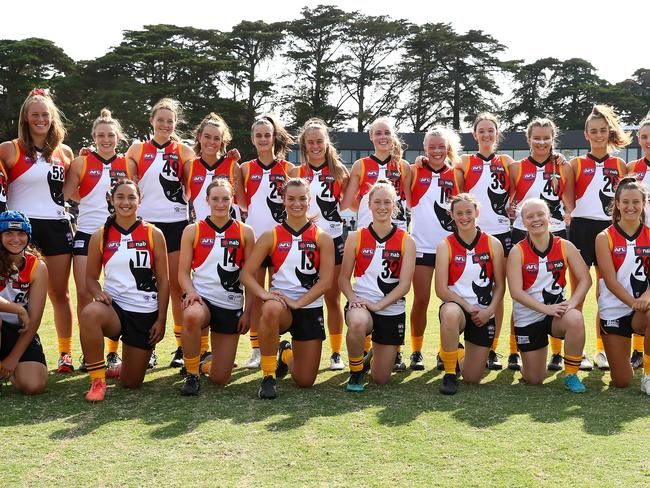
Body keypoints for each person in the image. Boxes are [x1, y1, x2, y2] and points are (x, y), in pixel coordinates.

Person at [0, 88, 76, 373]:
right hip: (19, 229)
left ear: (52, 117)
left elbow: (69, 191)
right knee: (9, 289)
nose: (41, 119)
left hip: (56, 226)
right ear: (26, 119)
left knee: (60, 293)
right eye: (35, 115)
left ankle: (66, 353)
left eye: (46, 114)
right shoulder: (10, 148)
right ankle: (11, 347)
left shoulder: (64, 152)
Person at [241, 178, 334, 400]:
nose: (297, 203)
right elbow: (245, 274)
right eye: (291, 198)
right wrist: (265, 295)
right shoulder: (270, 236)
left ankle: (286, 354)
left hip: (309, 307)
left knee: (305, 381)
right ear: (283, 200)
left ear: (309, 200)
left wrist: (298, 303)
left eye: (302, 198)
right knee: (270, 309)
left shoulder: (322, 237)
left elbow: (326, 282)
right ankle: (268, 375)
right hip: (281, 306)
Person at [79, 180, 169, 402]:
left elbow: (164, 280)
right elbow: (90, 279)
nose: (126, 202)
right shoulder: (100, 236)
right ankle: (98, 380)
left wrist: (161, 318)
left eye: (131, 197)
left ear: (139, 200)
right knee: (90, 313)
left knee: (131, 383)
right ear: (111, 200)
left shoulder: (153, 233)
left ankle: (120, 368)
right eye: (120, 197)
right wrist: (98, 293)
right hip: (114, 309)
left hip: (144, 311)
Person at [63, 109, 136, 376]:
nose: (106, 139)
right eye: (101, 135)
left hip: (119, 236)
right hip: (87, 233)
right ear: (93, 137)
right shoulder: (82, 162)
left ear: (118, 137)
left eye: (111, 135)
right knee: (84, 292)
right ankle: (89, 351)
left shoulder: (128, 163)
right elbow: (68, 192)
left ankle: (114, 351)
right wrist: (92, 202)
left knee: (118, 292)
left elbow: (135, 194)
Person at [125, 98, 194, 369]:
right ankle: (147, 346)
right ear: (151, 121)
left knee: (177, 286)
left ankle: (179, 346)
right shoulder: (137, 149)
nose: (165, 124)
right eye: (160, 119)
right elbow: (128, 185)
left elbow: (194, 184)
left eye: (170, 120)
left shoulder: (184, 151)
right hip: (147, 225)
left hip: (176, 223)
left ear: (175, 124)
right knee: (146, 285)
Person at [341, 118, 411, 370]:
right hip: (367, 235)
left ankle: (396, 351)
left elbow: (408, 201)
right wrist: (368, 211)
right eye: (377, 133)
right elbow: (348, 202)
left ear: (394, 137)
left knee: (394, 286)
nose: (383, 137)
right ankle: (364, 349)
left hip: (396, 233)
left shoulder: (403, 166)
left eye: (387, 133)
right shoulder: (362, 164)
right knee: (367, 283)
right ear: (371, 137)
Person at [508, 117, 575, 372]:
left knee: (557, 287)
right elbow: (510, 201)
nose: (542, 142)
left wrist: (568, 214)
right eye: (536, 137)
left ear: (553, 139)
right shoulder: (516, 167)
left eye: (547, 137)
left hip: (555, 231)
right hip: (521, 233)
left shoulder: (563, 166)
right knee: (521, 290)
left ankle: (557, 353)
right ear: (528, 139)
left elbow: (569, 201)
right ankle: (515, 350)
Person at [177, 179, 254, 395]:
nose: (220, 204)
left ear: (233, 201)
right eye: (215, 199)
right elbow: (182, 272)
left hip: (230, 304)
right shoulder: (193, 230)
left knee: (221, 378)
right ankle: (192, 374)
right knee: (191, 316)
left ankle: (204, 363)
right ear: (207, 200)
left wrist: (248, 313)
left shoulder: (245, 232)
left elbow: (250, 277)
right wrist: (191, 292)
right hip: (202, 299)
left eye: (225, 199)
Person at [569, 105, 631, 371]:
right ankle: (577, 350)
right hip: (581, 228)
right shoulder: (575, 164)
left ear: (609, 132)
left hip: (609, 231)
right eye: (593, 131)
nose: (598, 135)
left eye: (603, 131)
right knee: (579, 290)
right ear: (586, 135)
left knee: (606, 291)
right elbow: (569, 200)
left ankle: (601, 350)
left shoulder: (620, 164)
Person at [507, 199, 591, 393]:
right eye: (530, 216)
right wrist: (546, 309)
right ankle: (528, 364)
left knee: (575, 318)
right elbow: (516, 292)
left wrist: (572, 303)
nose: (536, 219)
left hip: (557, 315)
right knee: (534, 379)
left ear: (549, 218)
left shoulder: (565, 246)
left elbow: (585, 279)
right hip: (528, 318)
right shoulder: (517, 251)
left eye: (540, 214)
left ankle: (571, 374)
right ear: (522, 222)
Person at [339, 180, 416, 391]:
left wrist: (379, 306)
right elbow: (344, 278)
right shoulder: (355, 237)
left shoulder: (406, 240)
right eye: (377, 202)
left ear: (394, 206)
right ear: (369, 205)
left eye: (387, 202)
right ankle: (356, 372)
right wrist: (353, 299)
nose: (382, 207)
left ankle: (374, 354)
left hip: (391, 308)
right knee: (356, 323)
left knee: (381, 379)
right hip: (363, 304)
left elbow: (405, 285)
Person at [457, 112, 514, 371]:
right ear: (475, 134)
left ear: (497, 133)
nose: (487, 134)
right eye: (482, 130)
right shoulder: (465, 162)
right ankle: (454, 345)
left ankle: (493, 349)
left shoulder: (509, 162)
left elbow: (521, 187)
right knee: (464, 287)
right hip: (472, 235)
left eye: (491, 130)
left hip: (501, 235)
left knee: (497, 292)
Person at [291, 118, 349, 371]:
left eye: (319, 141)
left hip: (334, 238)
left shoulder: (339, 172)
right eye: (310, 142)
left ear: (327, 143)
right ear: (304, 145)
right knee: (301, 293)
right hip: (305, 240)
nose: (315, 146)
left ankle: (336, 353)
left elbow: (349, 205)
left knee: (332, 298)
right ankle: (296, 347)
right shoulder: (295, 173)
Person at [434, 194, 505, 394]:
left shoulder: (493, 244)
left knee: (472, 378)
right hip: (458, 308)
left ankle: (458, 354)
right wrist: (467, 306)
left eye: (468, 212)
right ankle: (449, 373)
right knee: (449, 313)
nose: (464, 217)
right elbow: (441, 290)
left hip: (483, 314)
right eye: (459, 213)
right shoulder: (444, 245)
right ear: (452, 216)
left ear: (477, 213)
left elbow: (500, 286)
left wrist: (488, 310)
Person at [240, 115, 295, 369]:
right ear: (253, 139)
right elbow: (241, 203)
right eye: (259, 135)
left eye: (267, 134)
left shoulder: (288, 169)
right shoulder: (244, 168)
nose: (263, 139)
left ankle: (276, 344)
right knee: (253, 297)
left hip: (281, 241)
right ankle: (255, 349)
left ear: (275, 138)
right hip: (255, 240)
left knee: (276, 295)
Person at [409, 126, 461, 371]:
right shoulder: (414, 170)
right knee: (420, 300)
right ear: (425, 149)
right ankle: (416, 351)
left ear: (448, 148)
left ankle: (446, 350)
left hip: (449, 249)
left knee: (450, 302)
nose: (437, 151)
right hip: (420, 246)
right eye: (432, 147)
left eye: (441, 146)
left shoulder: (457, 174)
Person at [594, 177, 650, 394]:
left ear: (643, 204)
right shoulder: (604, 237)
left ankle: (648, 375)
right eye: (625, 202)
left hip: (643, 308)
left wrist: (646, 294)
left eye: (636, 202)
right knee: (622, 381)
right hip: (615, 309)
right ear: (617, 204)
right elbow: (610, 281)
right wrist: (635, 303)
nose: (630, 207)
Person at [0, 211, 48, 394]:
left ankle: (7, 369)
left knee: (34, 385)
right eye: (8, 233)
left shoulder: (37, 266)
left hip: (20, 330)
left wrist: (13, 358)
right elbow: (24, 313)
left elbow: (34, 318)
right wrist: (18, 310)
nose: (15, 239)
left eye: (21, 234)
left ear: (28, 236)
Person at [186, 113, 245, 223]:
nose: (211, 142)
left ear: (222, 141)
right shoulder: (189, 166)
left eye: (217, 138)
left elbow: (243, 205)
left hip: (231, 233)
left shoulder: (232, 165)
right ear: (199, 137)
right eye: (207, 137)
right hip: (202, 232)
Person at [625, 112, 650, 369]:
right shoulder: (633, 169)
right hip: (640, 237)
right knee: (638, 288)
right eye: (643, 137)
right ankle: (637, 350)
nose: (647, 141)